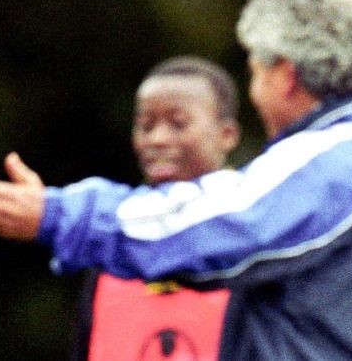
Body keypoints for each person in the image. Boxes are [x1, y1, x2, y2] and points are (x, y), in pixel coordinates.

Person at [0, 0, 352, 359]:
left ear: (285, 74)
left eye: (255, 73)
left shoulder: (340, 160)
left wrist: (58, 214)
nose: (254, 93)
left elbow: (211, 229)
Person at [73, 56, 240, 361]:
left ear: (226, 135)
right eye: (146, 126)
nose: (158, 139)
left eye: (178, 124)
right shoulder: (115, 243)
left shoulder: (253, 238)